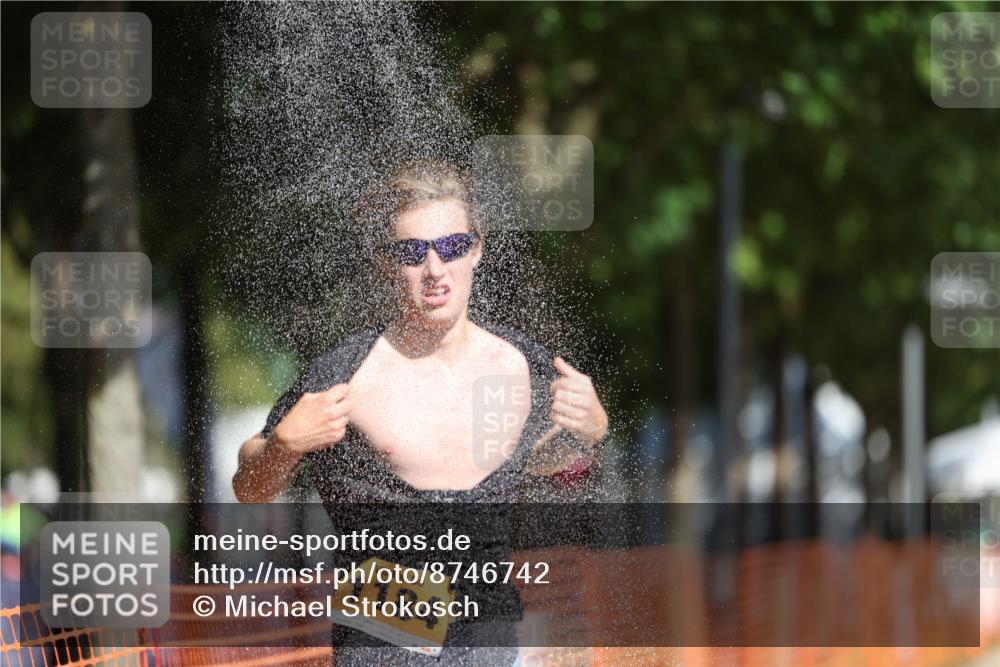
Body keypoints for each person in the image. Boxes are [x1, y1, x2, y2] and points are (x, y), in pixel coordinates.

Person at [233, 160, 608, 665]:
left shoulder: (522, 365)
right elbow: (249, 486)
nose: (434, 269)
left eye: (451, 246)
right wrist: (283, 446)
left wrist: (592, 430)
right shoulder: (347, 373)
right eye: (412, 252)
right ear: (388, 263)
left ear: (476, 249)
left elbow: (538, 461)